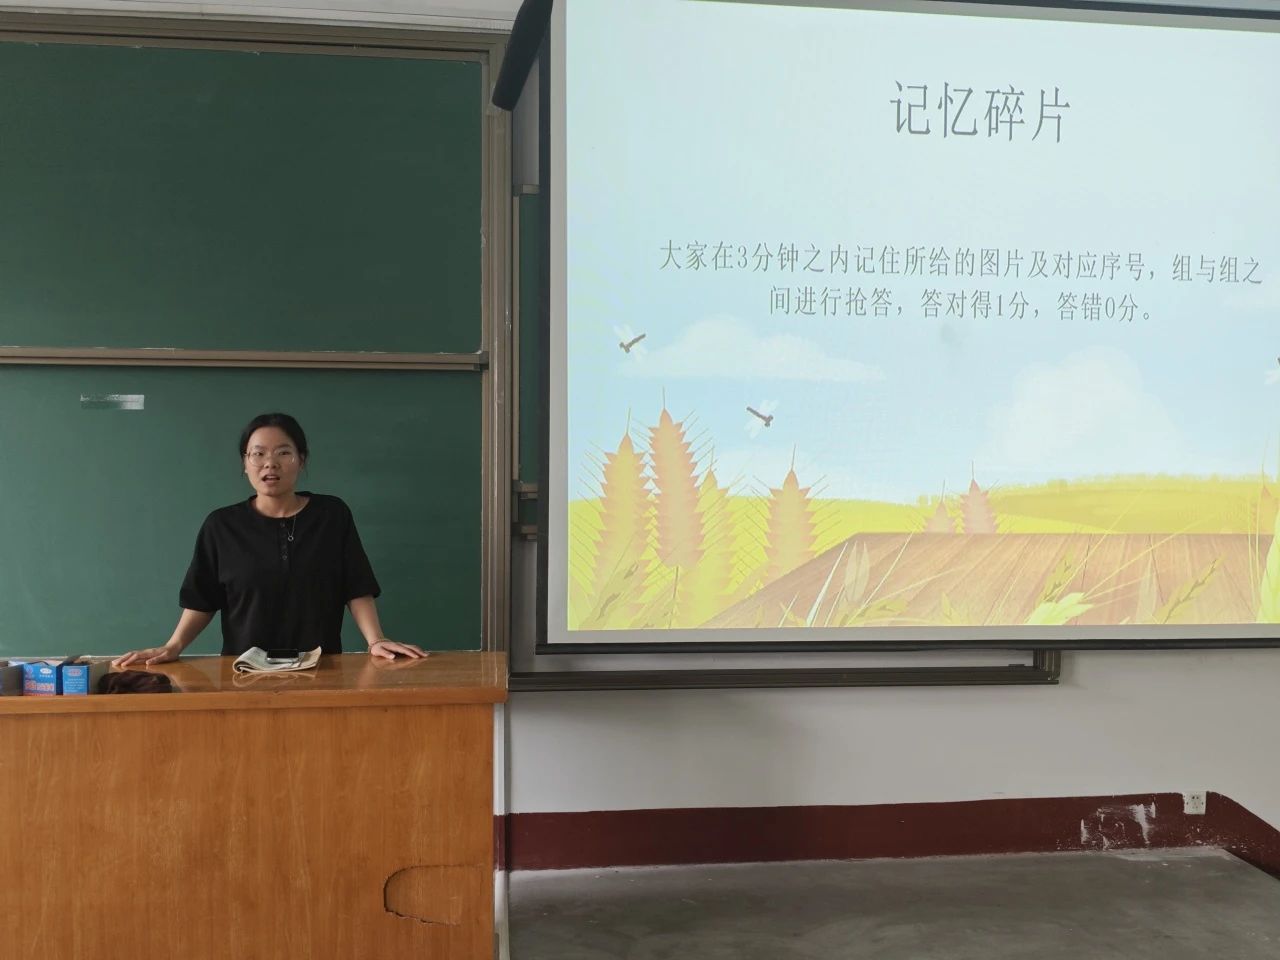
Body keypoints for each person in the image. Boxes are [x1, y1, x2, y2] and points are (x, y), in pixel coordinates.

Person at [114, 413, 426, 667]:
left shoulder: (331, 515)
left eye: (283, 453)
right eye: (258, 453)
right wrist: (173, 645)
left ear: (301, 460)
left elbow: (356, 586)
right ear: (244, 462)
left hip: (323, 671)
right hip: (243, 673)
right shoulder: (222, 525)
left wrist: (376, 640)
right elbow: (202, 598)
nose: (270, 463)